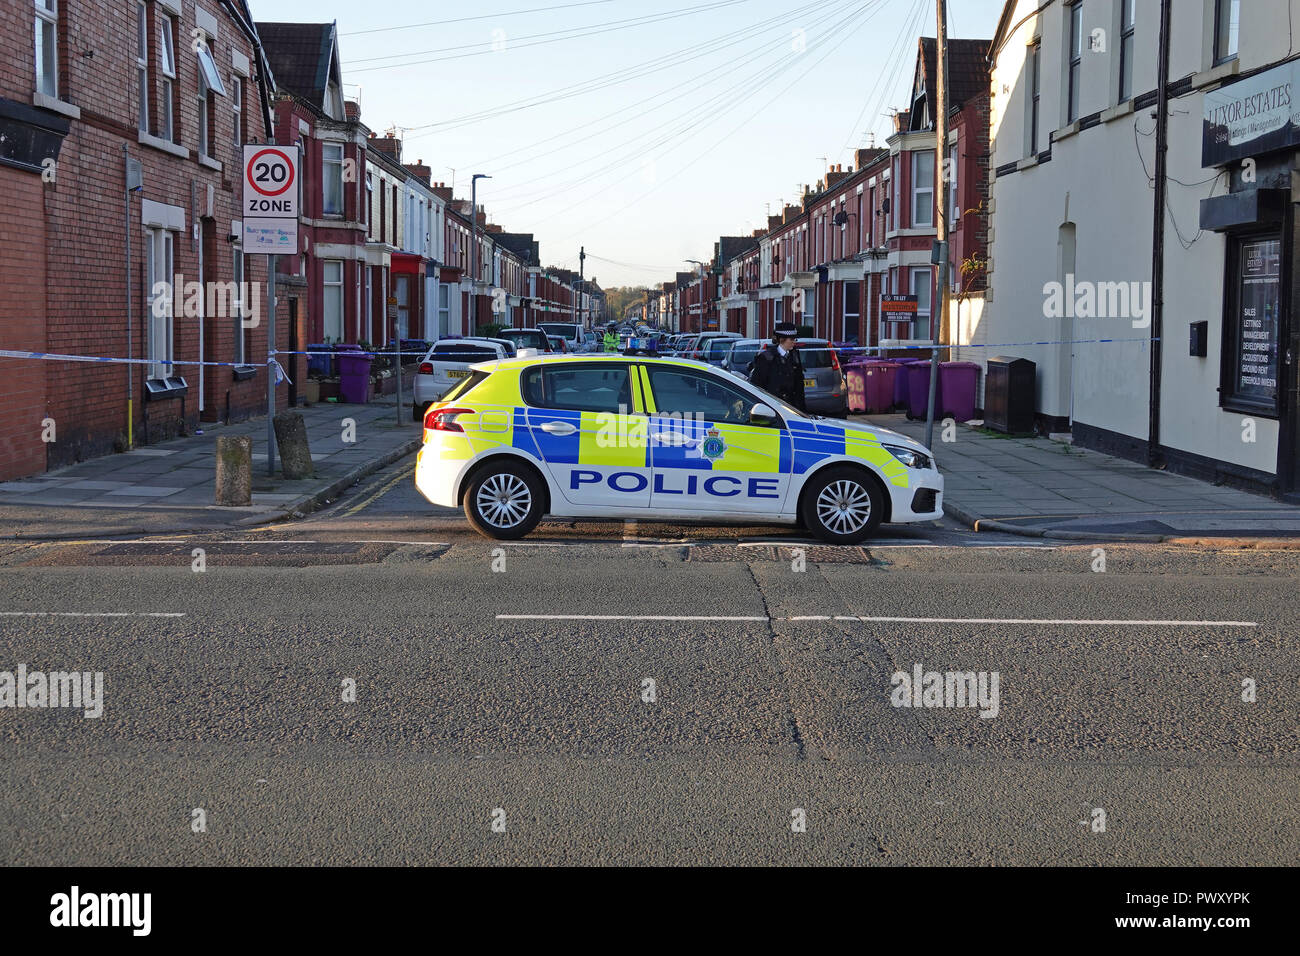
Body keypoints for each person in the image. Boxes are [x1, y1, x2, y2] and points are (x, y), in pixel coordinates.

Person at [749, 323, 806, 411]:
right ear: (782, 339)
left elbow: (799, 386)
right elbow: (758, 385)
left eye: (795, 339)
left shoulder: (795, 356)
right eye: (791, 339)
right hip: (772, 407)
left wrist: (802, 410)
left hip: (791, 407)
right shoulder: (766, 358)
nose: (794, 342)